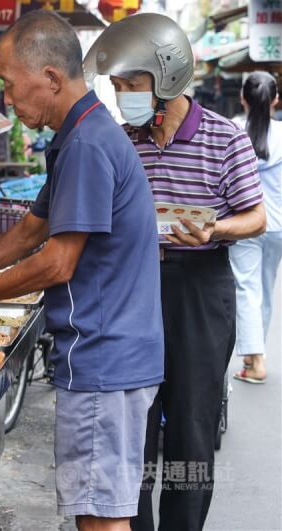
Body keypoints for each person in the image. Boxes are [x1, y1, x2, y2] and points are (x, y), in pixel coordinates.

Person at [0, 10, 164, 531]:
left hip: (104, 358)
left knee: (101, 519)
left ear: (50, 78)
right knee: (100, 511)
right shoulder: (78, 137)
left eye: (9, 85)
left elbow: (56, 262)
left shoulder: (88, 144)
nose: (7, 100)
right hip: (109, 353)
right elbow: (26, 234)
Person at [83, 13, 267, 531]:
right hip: (134, 288)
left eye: (132, 85)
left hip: (200, 289)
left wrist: (216, 231)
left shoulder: (223, 138)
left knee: (191, 425)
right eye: (117, 85)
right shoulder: (121, 141)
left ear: (166, 81)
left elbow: (256, 217)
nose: (123, 96)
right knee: (132, 424)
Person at [231, 72, 281, 384]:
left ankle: (255, 360)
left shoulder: (233, 131)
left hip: (246, 222)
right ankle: (254, 355)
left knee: (247, 288)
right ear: (275, 99)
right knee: (264, 288)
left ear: (243, 99)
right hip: (278, 224)